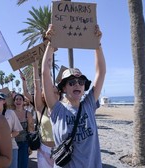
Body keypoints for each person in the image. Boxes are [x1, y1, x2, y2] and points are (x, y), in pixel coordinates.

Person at [42, 24, 106, 168]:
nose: (77, 85)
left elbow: (101, 72)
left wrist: (97, 44)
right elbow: (45, 73)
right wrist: (50, 44)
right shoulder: (57, 109)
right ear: (64, 87)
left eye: (80, 81)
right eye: (71, 82)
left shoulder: (89, 104)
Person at [0, 91, 23, 168]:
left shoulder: (10, 113)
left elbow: (17, 131)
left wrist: (6, 137)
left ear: (4, 101)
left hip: (11, 148)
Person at [14, 93, 34, 168]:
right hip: (13, 144)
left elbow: (31, 130)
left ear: (23, 102)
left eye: (20, 99)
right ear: (14, 102)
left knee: (23, 165)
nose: (18, 101)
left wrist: (30, 146)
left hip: (24, 144)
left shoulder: (27, 114)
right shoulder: (10, 113)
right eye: (16, 99)